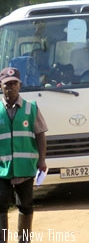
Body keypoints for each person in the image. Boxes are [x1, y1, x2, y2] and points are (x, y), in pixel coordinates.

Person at [0, 67, 47, 242]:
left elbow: (40, 134)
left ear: (20, 85)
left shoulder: (31, 108)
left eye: (14, 83)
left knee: (25, 206)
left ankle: (24, 240)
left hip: (25, 168)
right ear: (1, 86)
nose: (10, 87)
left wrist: (42, 160)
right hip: (2, 168)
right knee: (1, 204)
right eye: (7, 84)